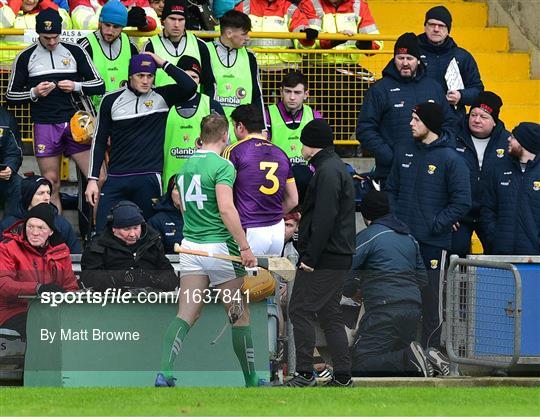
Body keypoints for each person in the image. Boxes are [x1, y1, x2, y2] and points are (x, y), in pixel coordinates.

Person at [155, 114, 261, 388]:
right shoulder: (223, 165)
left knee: (187, 312)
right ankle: (251, 380)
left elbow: (179, 200)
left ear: (201, 136)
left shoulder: (185, 164)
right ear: (225, 136)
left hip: (191, 246)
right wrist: (245, 246)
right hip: (219, 249)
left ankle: (164, 373)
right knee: (238, 313)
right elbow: (226, 208)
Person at [386, 102, 471, 350]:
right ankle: (402, 353)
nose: (410, 124)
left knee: (432, 300)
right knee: (400, 298)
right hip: (402, 241)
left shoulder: (451, 158)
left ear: (430, 125)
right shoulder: (404, 151)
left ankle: (431, 351)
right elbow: (391, 188)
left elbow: (462, 201)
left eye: (416, 119)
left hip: (433, 244)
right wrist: (395, 220)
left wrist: (436, 224)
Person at [6, 8, 105, 211]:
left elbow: (99, 84)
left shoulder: (75, 50)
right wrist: (34, 92)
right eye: (46, 37)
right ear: (38, 34)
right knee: (50, 185)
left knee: (99, 177)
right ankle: (55, 236)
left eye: (55, 37)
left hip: (75, 123)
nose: (52, 42)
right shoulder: (25, 56)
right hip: (44, 123)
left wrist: (76, 86)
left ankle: (95, 231)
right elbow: (10, 96)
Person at [85, 52, 197, 232]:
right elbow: (98, 141)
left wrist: (162, 63)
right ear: (130, 76)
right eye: (140, 76)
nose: (145, 81)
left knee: (148, 234)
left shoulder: (163, 96)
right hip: (117, 177)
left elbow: (190, 86)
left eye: (150, 76)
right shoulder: (111, 100)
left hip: (149, 177)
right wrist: (92, 179)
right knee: (102, 231)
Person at [344, 190, 450, 377]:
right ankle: (428, 358)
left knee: (360, 363)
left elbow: (346, 270)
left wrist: (352, 290)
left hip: (384, 309)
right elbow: (422, 279)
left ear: (366, 214)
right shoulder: (409, 238)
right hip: (413, 308)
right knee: (392, 362)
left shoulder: (369, 235)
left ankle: (409, 357)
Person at [286, 119, 355, 387]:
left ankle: (304, 373)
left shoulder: (326, 171)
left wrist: (310, 258)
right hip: (336, 256)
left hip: (325, 257)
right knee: (329, 313)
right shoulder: (334, 167)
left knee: (299, 309)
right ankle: (343, 375)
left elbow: (324, 218)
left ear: (309, 144)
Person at [356, 32, 455, 185]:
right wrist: (390, 156)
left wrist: (438, 150)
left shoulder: (434, 87)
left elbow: (449, 123)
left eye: (410, 58)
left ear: (418, 60)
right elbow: (365, 129)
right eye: (400, 58)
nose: (405, 63)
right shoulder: (380, 89)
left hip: (430, 170)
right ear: (394, 58)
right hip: (391, 173)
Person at [223, 104, 298, 256]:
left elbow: (223, 194)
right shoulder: (281, 153)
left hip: (249, 229)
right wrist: (271, 216)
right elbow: (293, 200)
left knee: (243, 279)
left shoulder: (233, 151)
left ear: (239, 126)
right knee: (269, 279)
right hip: (277, 230)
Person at [0, 203, 79, 339]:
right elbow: (4, 286)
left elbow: (70, 287)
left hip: (51, 310)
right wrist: (38, 288)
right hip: (13, 310)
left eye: (41, 228)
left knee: (78, 325)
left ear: (51, 231)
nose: (34, 233)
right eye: (30, 227)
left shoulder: (61, 251)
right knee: (43, 328)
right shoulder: (7, 248)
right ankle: (36, 361)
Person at [309, 0, 382, 139]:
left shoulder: (359, 5)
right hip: (319, 65)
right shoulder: (311, 4)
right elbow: (306, 43)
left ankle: (350, 140)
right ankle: (335, 140)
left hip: (349, 66)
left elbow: (376, 43)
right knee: (337, 89)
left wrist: (363, 43)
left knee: (375, 89)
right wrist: (333, 40)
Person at [451, 91, 510, 256]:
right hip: (460, 213)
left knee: (497, 256)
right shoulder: (452, 137)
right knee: (455, 256)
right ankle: (457, 284)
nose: (476, 120)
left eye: (483, 117)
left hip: (491, 213)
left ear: (494, 121)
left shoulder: (508, 142)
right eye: (473, 114)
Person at [80, 200, 179, 292]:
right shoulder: (98, 245)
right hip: (111, 303)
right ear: (114, 228)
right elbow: (89, 279)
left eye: (136, 228)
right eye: (126, 229)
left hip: (149, 302)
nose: (132, 234)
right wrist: (123, 278)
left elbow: (171, 279)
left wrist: (150, 279)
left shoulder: (152, 241)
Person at [162, 55, 224, 190]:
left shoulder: (211, 105)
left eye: (194, 77)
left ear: (200, 81)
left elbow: (224, 142)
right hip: (169, 178)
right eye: (185, 76)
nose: (189, 81)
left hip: (204, 179)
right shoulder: (165, 103)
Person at [480, 122, 540, 255]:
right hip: (502, 255)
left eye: (513, 137)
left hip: (535, 258)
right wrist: (495, 238)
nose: (508, 139)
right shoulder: (500, 170)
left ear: (525, 143)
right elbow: (487, 209)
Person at [206, 10, 265, 138]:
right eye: (244, 34)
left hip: (242, 132)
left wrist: (262, 128)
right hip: (212, 130)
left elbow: (257, 94)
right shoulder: (205, 51)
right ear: (228, 33)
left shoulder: (249, 56)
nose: (248, 38)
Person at [417, 5, 484, 116]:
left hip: (452, 120)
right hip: (417, 117)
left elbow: (478, 90)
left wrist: (461, 96)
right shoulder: (412, 53)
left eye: (441, 26)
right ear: (425, 26)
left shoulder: (462, 56)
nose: (436, 29)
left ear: (448, 29)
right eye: (432, 24)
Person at [142, 0, 216, 95]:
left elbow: (209, 85)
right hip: (161, 106)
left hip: (192, 107)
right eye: (172, 19)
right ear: (163, 20)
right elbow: (144, 83)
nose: (176, 25)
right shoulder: (150, 45)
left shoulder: (200, 45)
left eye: (181, 20)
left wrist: (208, 108)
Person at [78, 0, 138, 109]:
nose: (110, 31)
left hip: (124, 110)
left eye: (116, 27)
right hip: (95, 112)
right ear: (100, 21)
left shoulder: (130, 45)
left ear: (123, 27)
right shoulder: (84, 45)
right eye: (107, 25)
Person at [0, 175, 82, 253]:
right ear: (28, 196)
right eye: (41, 193)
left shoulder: (61, 224)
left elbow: (75, 256)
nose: (47, 197)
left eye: (48, 192)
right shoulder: (8, 225)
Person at [234, 0, 319, 68]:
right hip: (250, 66)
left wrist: (307, 39)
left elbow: (300, 34)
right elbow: (229, 32)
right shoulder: (244, 6)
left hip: (285, 68)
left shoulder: (290, 9)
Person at [265, 71, 322, 165]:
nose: (292, 97)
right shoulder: (267, 115)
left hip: (306, 175)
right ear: (281, 92)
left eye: (297, 92)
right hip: (277, 174)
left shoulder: (314, 116)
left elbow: (321, 152)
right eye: (288, 91)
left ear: (306, 94)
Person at [0, 0, 71, 65]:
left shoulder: (44, 11)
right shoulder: (4, 8)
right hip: (6, 66)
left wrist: (47, 5)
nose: (31, 1)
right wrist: (12, 8)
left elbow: (65, 25)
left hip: (39, 65)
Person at [147, 175, 184, 254]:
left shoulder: (203, 217)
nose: (182, 193)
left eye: (185, 188)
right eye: (177, 189)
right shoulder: (157, 221)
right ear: (170, 192)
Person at [69, 0, 159, 32]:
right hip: (95, 51)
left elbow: (156, 25)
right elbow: (84, 22)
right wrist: (121, 21)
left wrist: (144, 22)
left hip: (133, 56)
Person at [0, 106, 22, 217]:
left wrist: (10, 167)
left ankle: (10, 230)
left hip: (1, 176)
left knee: (18, 185)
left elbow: (14, 151)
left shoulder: (5, 117)